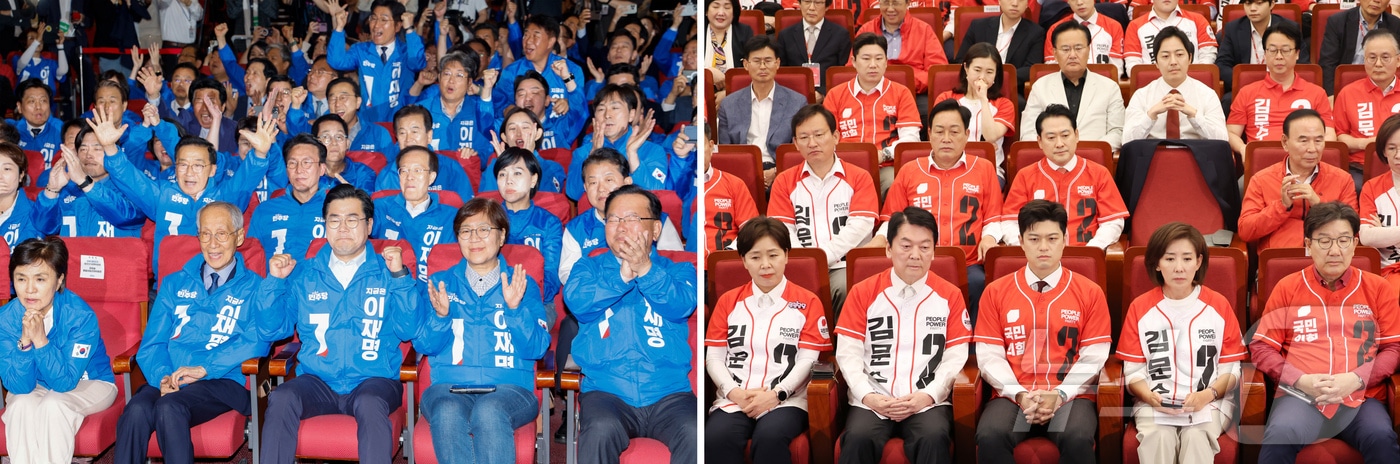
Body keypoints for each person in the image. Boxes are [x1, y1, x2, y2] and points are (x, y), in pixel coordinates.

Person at [260, 184, 425, 464]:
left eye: (352, 219)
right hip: (318, 381)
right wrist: (275, 282)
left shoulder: (389, 271)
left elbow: (410, 329)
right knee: (281, 397)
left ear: (369, 224)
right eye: (334, 220)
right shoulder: (304, 273)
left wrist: (400, 278)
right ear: (324, 225)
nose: (343, 227)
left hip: (374, 379)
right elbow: (273, 329)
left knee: (370, 403)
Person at [114, 202, 285, 464]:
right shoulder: (174, 283)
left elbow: (258, 343)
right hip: (172, 375)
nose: (213, 243)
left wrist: (205, 367)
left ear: (238, 237)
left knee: (169, 407)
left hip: (222, 381)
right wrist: (163, 378)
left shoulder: (255, 288)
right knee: (135, 410)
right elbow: (152, 344)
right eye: (205, 234)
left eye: (221, 233)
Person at [1251, 201, 1400, 462]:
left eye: (1343, 240)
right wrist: (1300, 380)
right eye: (1324, 241)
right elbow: (1262, 347)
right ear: (1308, 244)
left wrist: (1355, 379)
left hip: (1361, 397)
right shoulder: (1288, 287)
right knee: (1280, 433)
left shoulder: (1377, 288)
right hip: (1300, 397)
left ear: (1355, 244)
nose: (1335, 250)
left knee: (1381, 437)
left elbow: (1394, 348)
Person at [563, 185, 698, 463]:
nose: (621, 226)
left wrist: (646, 270)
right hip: (607, 391)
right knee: (600, 430)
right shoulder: (587, 267)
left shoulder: (680, 269)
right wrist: (620, 278)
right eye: (613, 219)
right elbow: (579, 303)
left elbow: (681, 304)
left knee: (696, 433)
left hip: (669, 393)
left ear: (656, 230)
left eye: (633, 218)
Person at [974, 199, 1110, 464]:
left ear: (1065, 239)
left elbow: (1094, 356)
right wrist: (1021, 394)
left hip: (1070, 395)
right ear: (1021, 241)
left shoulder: (1090, 292)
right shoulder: (996, 292)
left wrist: (1059, 394)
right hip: (1013, 394)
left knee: (1077, 436)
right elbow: (989, 356)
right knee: (991, 434)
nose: (1044, 247)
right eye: (1034, 239)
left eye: (1052, 238)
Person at [417, 197, 551, 464]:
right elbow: (423, 345)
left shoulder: (521, 284)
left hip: (510, 388)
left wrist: (515, 310)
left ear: (501, 236)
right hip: (448, 387)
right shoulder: (440, 283)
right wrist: (441, 317)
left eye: (484, 229)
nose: (474, 238)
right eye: (466, 231)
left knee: (489, 411)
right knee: (446, 411)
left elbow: (537, 348)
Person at [835, 207, 969, 463]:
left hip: (927, 399)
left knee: (934, 436)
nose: (915, 256)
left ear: (934, 251)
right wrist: (867, 395)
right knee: (858, 438)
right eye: (906, 246)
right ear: (889, 248)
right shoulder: (863, 292)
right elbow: (847, 353)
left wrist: (929, 395)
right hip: (872, 398)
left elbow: (955, 356)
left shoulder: (949, 295)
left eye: (925, 247)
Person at [1116, 222, 1245, 464]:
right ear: (1156, 263)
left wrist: (1208, 394)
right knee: (1159, 437)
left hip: (1210, 402)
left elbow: (1232, 369)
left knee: (1196, 437)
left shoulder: (1219, 305)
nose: (1179, 268)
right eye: (1169, 259)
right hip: (1154, 403)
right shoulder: (1140, 308)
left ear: (1198, 262)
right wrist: (1149, 396)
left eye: (1187, 259)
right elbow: (1133, 371)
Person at [705, 217, 831, 463]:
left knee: (770, 437)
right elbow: (715, 357)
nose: (765, 265)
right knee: (716, 438)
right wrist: (734, 393)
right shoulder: (729, 302)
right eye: (755, 257)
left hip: (787, 400)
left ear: (786, 255)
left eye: (773, 255)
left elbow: (808, 359)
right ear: (743, 260)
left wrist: (777, 394)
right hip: (735, 398)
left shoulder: (807, 302)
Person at [869, 100, 1001, 318]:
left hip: (967, 262)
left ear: (967, 134)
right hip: (915, 260)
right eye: (939, 131)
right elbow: (892, 219)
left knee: (980, 284)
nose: (946, 138)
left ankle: (971, 350)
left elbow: (993, 218)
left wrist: (989, 238)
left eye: (954, 131)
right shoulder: (910, 170)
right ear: (929, 133)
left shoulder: (985, 169)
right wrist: (880, 239)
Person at [0, 236, 117, 464]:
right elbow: (17, 386)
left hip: (89, 382)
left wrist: (41, 341)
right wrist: (25, 342)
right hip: (36, 386)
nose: (30, 289)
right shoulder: (6, 319)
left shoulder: (81, 317)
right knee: (20, 405)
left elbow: (65, 383)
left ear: (59, 280)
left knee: (54, 406)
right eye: (21, 279)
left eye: (40, 279)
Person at [769, 104, 879, 313]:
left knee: (846, 288)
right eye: (803, 138)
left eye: (819, 135)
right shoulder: (784, 181)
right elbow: (781, 229)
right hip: (797, 265)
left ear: (836, 136)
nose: (812, 143)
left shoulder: (859, 177)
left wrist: (820, 259)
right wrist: (805, 263)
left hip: (845, 266)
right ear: (795, 143)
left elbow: (860, 226)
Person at [1001, 104, 1129, 248]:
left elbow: (1113, 221)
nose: (1059, 144)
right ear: (1040, 142)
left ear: (1077, 135)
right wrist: (1030, 250)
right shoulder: (1025, 176)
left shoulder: (1099, 173)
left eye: (1065, 135)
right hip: (1040, 258)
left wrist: (1093, 248)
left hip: (1085, 255)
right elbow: (1009, 222)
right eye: (1051, 137)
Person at [1239, 109, 1359, 250]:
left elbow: (1354, 229)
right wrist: (1282, 206)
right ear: (1285, 142)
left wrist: (1319, 205)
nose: (1312, 149)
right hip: (1280, 261)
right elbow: (1245, 231)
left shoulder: (1342, 179)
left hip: (1329, 260)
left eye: (1319, 140)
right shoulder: (1261, 180)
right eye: (1303, 141)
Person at [822, 33, 922, 194]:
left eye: (879, 58)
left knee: (896, 186)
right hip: (842, 167)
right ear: (854, 62)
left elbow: (911, 138)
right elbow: (825, 137)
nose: (873, 64)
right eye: (866, 58)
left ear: (886, 62)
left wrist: (884, 154)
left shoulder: (901, 93)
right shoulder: (836, 95)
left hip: (886, 166)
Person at [1227, 22, 1335, 155]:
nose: (1279, 56)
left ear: (1297, 54)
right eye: (1272, 50)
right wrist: (1243, 149)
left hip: (1305, 162)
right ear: (1265, 54)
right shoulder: (1247, 92)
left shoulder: (1317, 93)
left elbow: (1329, 135)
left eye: (1285, 50)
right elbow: (1231, 132)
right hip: (1262, 164)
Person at [1023, 21, 1125, 151]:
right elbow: (1028, 133)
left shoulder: (1110, 87)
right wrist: (1058, 151)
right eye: (1065, 49)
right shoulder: (1040, 87)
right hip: (1053, 159)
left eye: (1078, 48)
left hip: (1095, 161)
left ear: (1088, 50)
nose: (1072, 55)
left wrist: (1092, 151)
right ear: (1054, 53)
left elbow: (1117, 131)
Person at [325, 0, 427, 123]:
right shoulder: (361, 50)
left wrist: (410, 29)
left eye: (384, 20)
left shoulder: (406, 51)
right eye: (373, 18)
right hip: (368, 122)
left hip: (399, 122)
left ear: (398, 26)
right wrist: (339, 27)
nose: (376, 25)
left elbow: (418, 63)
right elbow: (336, 62)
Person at [1123, 27, 1228, 143]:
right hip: (1153, 157)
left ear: (1190, 58)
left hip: (1196, 158)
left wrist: (1194, 115)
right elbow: (1126, 141)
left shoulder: (1207, 94)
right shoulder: (1142, 95)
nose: (1173, 62)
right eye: (1165, 56)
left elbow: (1222, 140)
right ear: (1156, 63)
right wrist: (1151, 115)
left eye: (1179, 54)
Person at [36, 127, 145, 238]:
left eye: (97, 149)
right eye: (83, 149)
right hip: (73, 254)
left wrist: (85, 183)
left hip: (114, 254)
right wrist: (52, 190)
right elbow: (45, 228)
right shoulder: (67, 190)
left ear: (113, 152)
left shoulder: (130, 186)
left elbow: (130, 217)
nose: (88, 155)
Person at [566, 84, 670, 200]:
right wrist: (592, 155)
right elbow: (573, 193)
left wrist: (632, 154)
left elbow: (656, 193)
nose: (607, 115)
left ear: (631, 115)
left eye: (615, 108)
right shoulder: (583, 152)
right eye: (601, 109)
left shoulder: (653, 150)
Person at [372, 146, 461, 281]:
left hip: (432, 292)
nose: (410, 177)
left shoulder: (451, 217)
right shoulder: (380, 207)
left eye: (417, 170)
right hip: (389, 289)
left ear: (431, 177)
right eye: (404, 171)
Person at [717, 36, 806, 169]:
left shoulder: (797, 103)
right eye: (757, 61)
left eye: (768, 61)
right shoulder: (729, 104)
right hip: (741, 169)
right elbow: (725, 151)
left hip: (781, 169)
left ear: (777, 63)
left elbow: (801, 149)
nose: (763, 67)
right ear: (746, 65)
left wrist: (776, 172)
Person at [932, 43, 1017, 176]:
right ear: (966, 68)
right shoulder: (946, 98)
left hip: (989, 171)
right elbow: (940, 134)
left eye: (989, 72)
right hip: (949, 167)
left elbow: (990, 136)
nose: (982, 77)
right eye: (977, 70)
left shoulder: (1004, 104)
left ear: (996, 75)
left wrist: (983, 98)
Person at [1332, 29, 1400, 188]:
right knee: (1349, 186)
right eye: (1372, 58)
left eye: (1385, 57)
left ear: (1398, 60)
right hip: (1360, 168)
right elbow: (1340, 137)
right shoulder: (1348, 93)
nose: (1378, 64)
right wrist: (1367, 144)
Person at [494, 147, 563, 302]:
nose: (508, 180)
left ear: (533, 180)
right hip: (492, 301)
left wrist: (523, 298)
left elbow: (551, 276)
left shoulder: (549, 223)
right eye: (502, 174)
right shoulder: (487, 220)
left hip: (537, 303)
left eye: (517, 173)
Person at [248, 134, 329, 258]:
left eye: (307, 162)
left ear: (322, 169)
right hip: (273, 277)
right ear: (286, 170)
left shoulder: (335, 208)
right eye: (292, 163)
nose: (299, 170)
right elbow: (251, 257)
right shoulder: (265, 210)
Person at [853, 0, 948, 94]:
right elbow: (852, 69)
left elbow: (937, 72)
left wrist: (907, 80)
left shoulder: (924, 30)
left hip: (915, 92)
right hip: (872, 91)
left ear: (907, 3)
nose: (890, 9)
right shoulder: (866, 30)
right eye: (886, 3)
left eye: (895, 3)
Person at [375, 105, 475, 194]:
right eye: (402, 133)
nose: (408, 139)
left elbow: (466, 209)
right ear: (396, 137)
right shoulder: (387, 176)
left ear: (429, 135)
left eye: (414, 131)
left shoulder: (450, 168)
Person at [1215, 0, 1308, 95]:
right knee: (1227, 101)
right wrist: (1243, 82)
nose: (1252, 9)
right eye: (1248, 3)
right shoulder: (1233, 28)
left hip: (1282, 86)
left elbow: (1303, 64)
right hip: (1245, 88)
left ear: (1271, 4)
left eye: (1259, 3)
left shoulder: (1289, 28)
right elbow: (1222, 64)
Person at [699, 123, 759, 265]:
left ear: (711, 146)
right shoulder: (683, 184)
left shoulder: (734, 184)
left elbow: (751, 231)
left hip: (725, 265)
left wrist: (728, 254)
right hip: (691, 266)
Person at [956, 0, 1044, 86]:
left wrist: (995, 78)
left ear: (1027, 4)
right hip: (975, 84)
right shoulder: (978, 26)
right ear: (999, 1)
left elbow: (1031, 68)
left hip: (1009, 87)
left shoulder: (1035, 33)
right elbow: (961, 60)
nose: (1015, 3)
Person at [1320, 0, 1400, 94]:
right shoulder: (1338, 21)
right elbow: (1328, 62)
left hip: (1382, 85)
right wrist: (1331, 94)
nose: (1377, 0)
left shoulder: (1396, 25)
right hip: (1346, 85)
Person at [775, 0, 853, 92]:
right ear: (799, 4)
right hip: (794, 94)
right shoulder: (785, 35)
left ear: (827, 6)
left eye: (818, 3)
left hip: (828, 95)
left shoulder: (840, 35)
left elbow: (841, 73)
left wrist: (823, 92)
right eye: (807, 2)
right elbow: (781, 72)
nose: (812, 8)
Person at [1122, 0, 1218, 72]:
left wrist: (1190, 79)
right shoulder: (1135, 26)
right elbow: (1133, 67)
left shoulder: (1198, 20)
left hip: (1193, 84)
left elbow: (1208, 56)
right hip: (1152, 87)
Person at [1361, 114, 1400, 289]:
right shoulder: (1372, 188)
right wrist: (1375, 235)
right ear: (1383, 151)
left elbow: (1376, 236)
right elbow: (1367, 237)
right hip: (1389, 270)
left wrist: (1384, 233)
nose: (1398, 155)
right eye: (1392, 148)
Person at [1043, 0, 1126, 78]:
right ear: (1068, 1)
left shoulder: (1114, 27)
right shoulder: (1056, 29)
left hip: (1103, 87)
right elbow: (1052, 67)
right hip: (1066, 87)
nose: (1079, 2)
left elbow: (1116, 68)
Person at [11, 79, 63, 165]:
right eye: (32, 101)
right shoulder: (12, 131)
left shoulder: (61, 131)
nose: (38, 107)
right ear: (19, 107)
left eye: (43, 101)